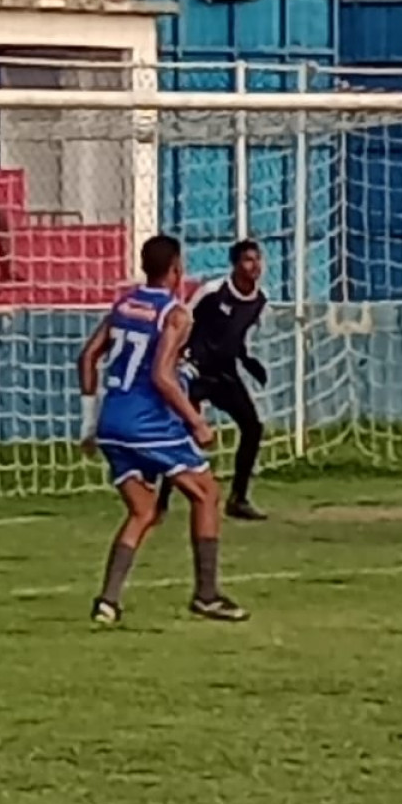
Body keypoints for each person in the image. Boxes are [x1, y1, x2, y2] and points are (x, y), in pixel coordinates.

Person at [77, 234, 248, 625]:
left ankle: (108, 600)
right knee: (207, 494)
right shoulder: (175, 314)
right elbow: (161, 376)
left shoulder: (124, 305)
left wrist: (88, 424)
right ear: (176, 269)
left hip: (111, 423)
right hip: (147, 422)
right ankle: (206, 595)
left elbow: (87, 356)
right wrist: (196, 420)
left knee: (144, 510)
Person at [160, 239, 272, 521]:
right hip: (195, 369)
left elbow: (237, 336)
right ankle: (160, 499)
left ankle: (239, 498)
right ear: (235, 265)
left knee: (252, 427)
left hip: (224, 373)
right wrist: (175, 358)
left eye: (258, 259)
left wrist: (248, 361)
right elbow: (181, 319)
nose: (255, 265)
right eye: (248, 260)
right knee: (180, 430)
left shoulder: (260, 300)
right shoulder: (213, 291)